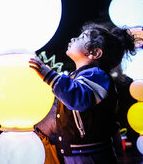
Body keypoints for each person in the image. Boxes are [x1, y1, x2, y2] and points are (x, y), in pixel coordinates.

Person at [29, 23, 136, 164]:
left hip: (91, 155)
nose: (73, 38)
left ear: (95, 53)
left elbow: (79, 99)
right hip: (76, 153)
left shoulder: (97, 75)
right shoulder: (76, 77)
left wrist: (50, 76)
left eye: (82, 37)